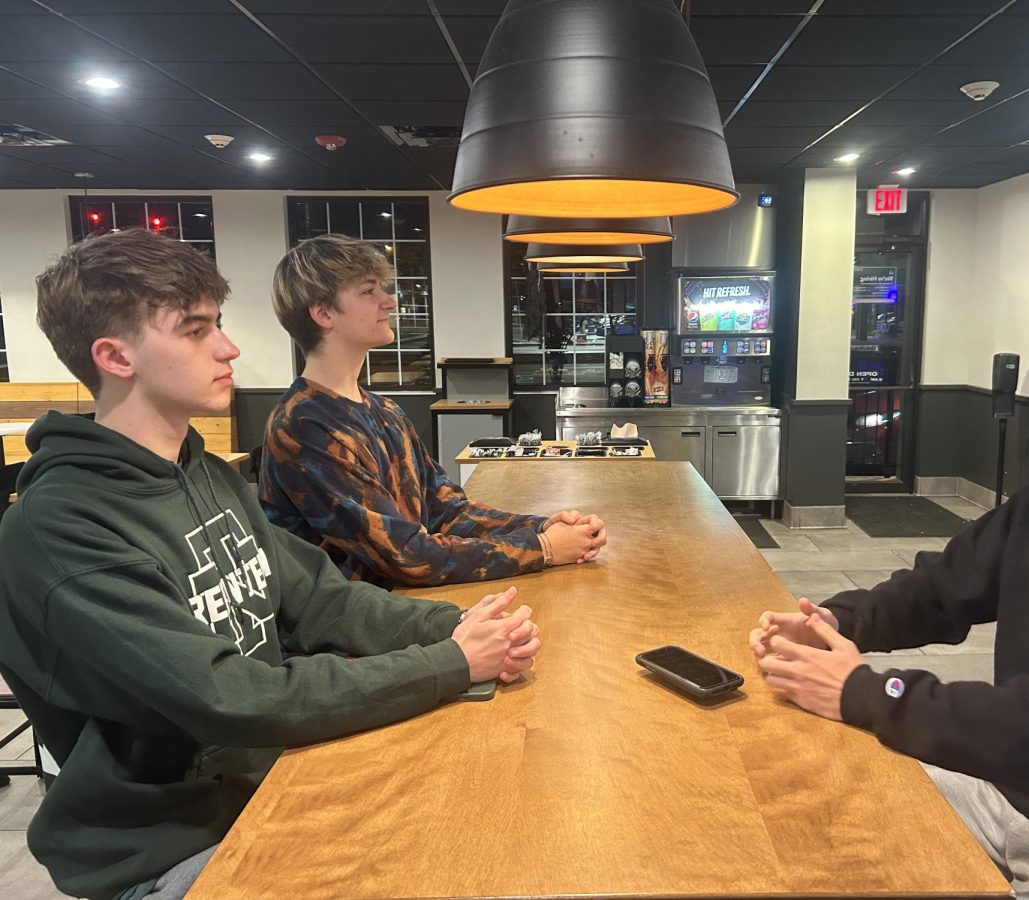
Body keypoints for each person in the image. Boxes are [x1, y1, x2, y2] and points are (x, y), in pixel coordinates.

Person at [0, 229, 541, 900]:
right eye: (197, 330)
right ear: (114, 356)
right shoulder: (58, 527)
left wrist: (455, 626)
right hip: (174, 851)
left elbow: (321, 599)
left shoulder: (206, 475)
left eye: (218, 325)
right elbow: (229, 699)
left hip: (273, 780)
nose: (228, 347)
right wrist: (451, 663)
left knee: (500, 826)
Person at [750, 231, 1029, 900]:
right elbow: (942, 588)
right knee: (790, 809)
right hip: (1003, 791)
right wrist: (833, 622)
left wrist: (870, 692)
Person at [259, 234, 606, 589]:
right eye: (368, 292)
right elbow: (406, 555)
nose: (389, 302)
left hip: (404, 613)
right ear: (323, 312)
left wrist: (541, 527)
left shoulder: (384, 410)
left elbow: (448, 510)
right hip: (352, 640)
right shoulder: (304, 426)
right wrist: (543, 549)